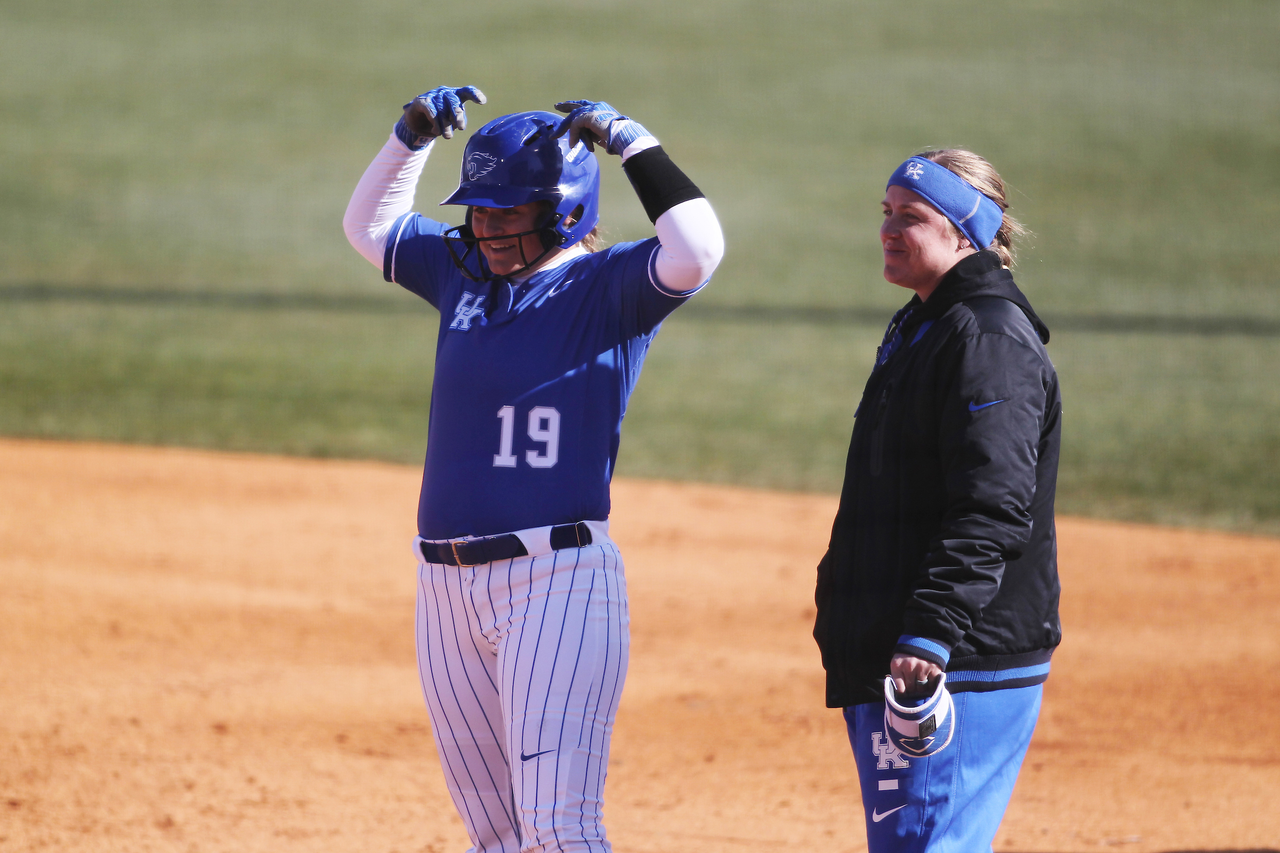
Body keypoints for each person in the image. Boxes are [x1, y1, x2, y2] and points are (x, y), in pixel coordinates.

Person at [343, 85, 723, 853]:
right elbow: (370, 228)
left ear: (566, 209)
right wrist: (409, 137)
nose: (486, 228)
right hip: (444, 586)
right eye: (479, 210)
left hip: (553, 582)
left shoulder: (608, 287)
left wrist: (631, 141)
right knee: (496, 834)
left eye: (507, 211)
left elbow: (697, 250)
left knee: (559, 830)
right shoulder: (462, 275)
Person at [812, 149, 1062, 852]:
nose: (890, 229)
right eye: (886, 214)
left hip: (956, 658)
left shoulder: (986, 337)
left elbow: (993, 501)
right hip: (904, 644)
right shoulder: (925, 323)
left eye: (912, 216)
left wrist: (931, 629)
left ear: (966, 231)